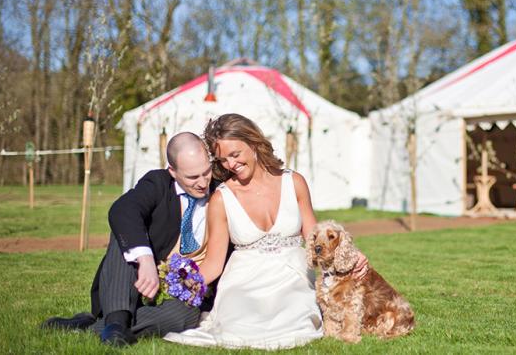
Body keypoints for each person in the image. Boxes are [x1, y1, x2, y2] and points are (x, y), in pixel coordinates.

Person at [164, 113, 367, 350]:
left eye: (235, 154)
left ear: (254, 144)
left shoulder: (295, 183)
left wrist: (351, 257)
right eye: (222, 160)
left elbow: (316, 240)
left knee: (294, 323)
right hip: (243, 282)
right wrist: (182, 284)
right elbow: (214, 263)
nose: (230, 164)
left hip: (293, 278)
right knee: (237, 328)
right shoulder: (221, 198)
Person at [42, 132, 226, 346]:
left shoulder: (220, 192)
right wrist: (145, 259)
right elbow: (122, 210)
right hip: (133, 280)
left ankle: (105, 327)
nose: (203, 183)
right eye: (193, 177)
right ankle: (117, 317)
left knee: (184, 318)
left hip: (183, 288)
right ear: (173, 172)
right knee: (128, 236)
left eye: (206, 172)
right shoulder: (157, 182)